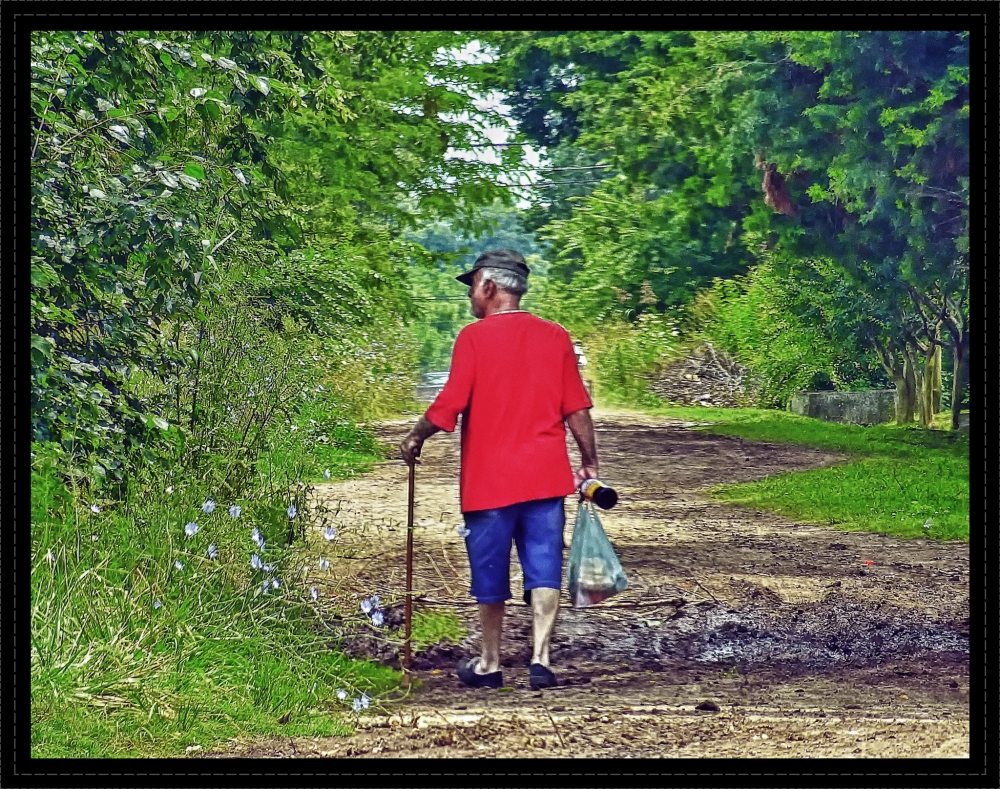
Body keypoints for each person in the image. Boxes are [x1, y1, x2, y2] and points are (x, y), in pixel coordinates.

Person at [400, 248, 600, 691]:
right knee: (544, 565)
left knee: (489, 571)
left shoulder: (474, 338)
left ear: (488, 287)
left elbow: (449, 403)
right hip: (545, 477)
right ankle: (541, 659)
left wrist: (416, 437)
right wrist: (589, 461)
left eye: (472, 286)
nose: (471, 295)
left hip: (489, 482)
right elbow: (577, 408)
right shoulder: (555, 336)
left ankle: (490, 662)